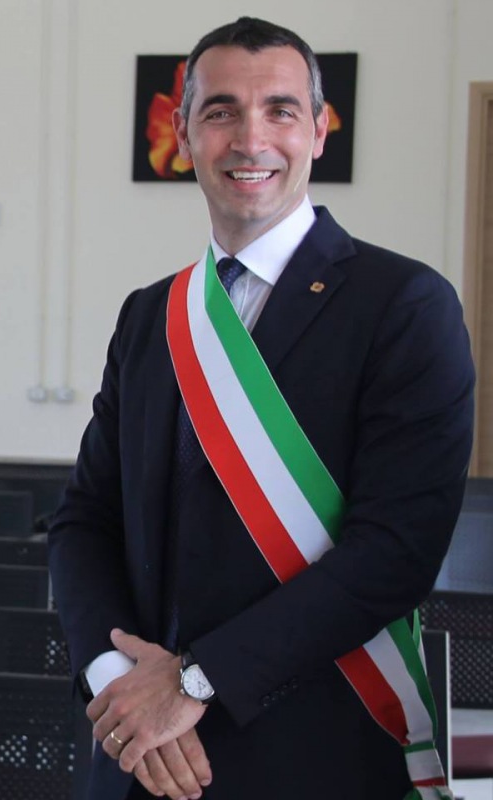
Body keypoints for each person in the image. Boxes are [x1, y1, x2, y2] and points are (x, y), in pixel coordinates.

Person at [48, 16, 475, 800]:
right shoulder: (151, 315)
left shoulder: (404, 305)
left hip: (314, 754)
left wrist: (195, 681)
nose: (251, 139)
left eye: (280, 110)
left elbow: (396, 552)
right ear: (183, 134)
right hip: (141, 757)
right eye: (221, 112)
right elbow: (85, 520)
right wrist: (116, 680)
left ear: (319, 130)